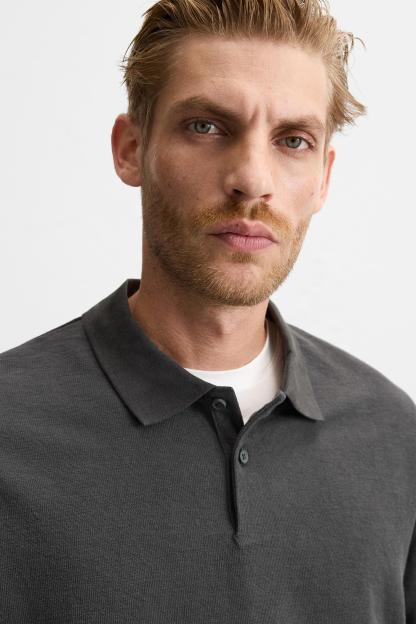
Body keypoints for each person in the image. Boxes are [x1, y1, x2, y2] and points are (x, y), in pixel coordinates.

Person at [1, 0, 415, 622]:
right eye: (206, 126)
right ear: (130, 149)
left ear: (323, 178)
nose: (252, 179)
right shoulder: (10, 430)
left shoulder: (392, 436)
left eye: (293, 140)